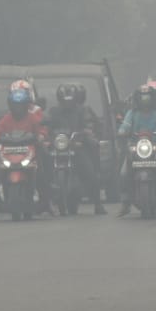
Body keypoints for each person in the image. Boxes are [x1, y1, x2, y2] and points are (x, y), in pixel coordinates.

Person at [0, 82, 52, 219]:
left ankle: (46, 201)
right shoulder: (6, 118)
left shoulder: (32, 117)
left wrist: (41, 136)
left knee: (44, 166)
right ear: (10, 106)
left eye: (21, 106)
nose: (18, 109)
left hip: (31, 150)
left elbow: (41, 129)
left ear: (26, 106)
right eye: (15, 106)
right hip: (8, 152)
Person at [44, 83, 107, 215]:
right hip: (59, 146)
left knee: (89, 171)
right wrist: (45, 135)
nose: (67, 104)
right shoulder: (53, 112)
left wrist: (85, 133)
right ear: (60, 99)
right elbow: (47, 125)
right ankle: (45, 199)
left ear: (75, 99)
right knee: (42, 166)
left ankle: (97, 203)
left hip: (78, 146)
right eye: (64, 101)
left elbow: (89, 124)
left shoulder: (83, 110)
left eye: (70, 101)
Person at [116, 82, 156, 216]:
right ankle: (125, 203)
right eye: (142, 97)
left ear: (152, 98)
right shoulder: (132, 113)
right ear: (137, 99)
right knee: (124, 172)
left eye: (147, 97)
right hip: (135, 149)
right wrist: (122, 131)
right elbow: (125, 126)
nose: (145, 100)